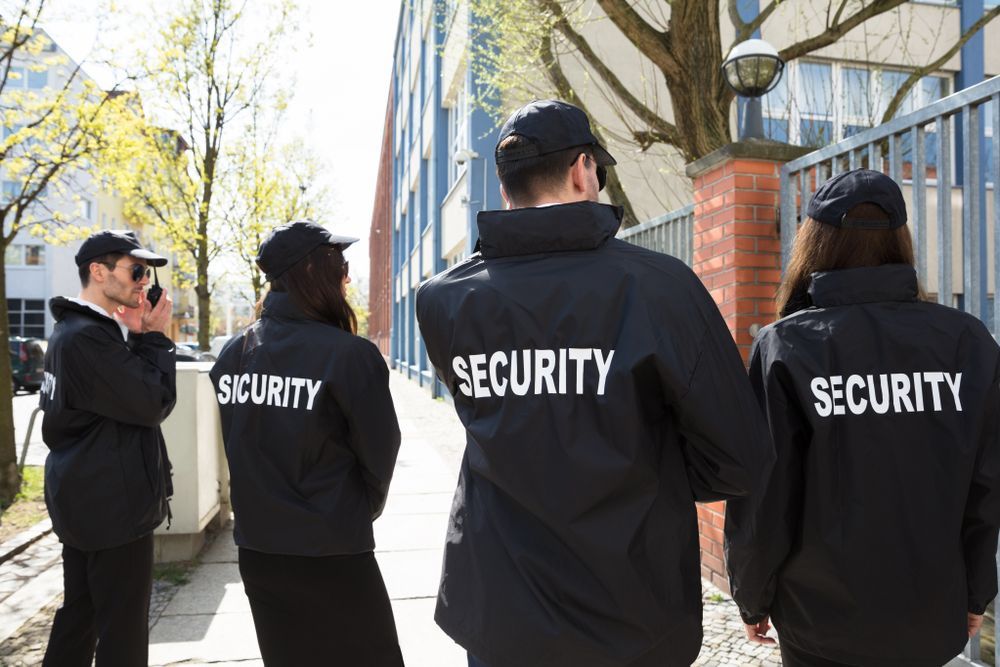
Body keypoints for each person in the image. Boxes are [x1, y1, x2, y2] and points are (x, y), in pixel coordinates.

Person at [415, 99, 773, 667]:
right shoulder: (661, 288)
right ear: (584, 170)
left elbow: (493, 416)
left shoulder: (443, 300)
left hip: (501, 612)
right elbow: (741, 457)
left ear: (506, 190)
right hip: (633, 613)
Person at [725, 169, 1000, 666]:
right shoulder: (966, 341)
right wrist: (975, 593)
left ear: (814, 242)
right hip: (927, 611)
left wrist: (752, 594)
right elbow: (986, 487)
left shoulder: (788, 345)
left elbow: (764, 495)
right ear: (901, 240)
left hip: (818, 619)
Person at [209, 221, 404, 666]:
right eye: (341, 265)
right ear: (313, 270)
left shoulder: (233, 355)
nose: (348, 278)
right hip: (332, 551)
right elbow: (380, 454)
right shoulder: (348, 355)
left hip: (260, 552)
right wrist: (353, 509)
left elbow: (239, 448)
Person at [40, 229, 175, 666]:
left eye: (146, 274)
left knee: (81, 614)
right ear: (98, 272)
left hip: (88, 497)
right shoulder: (87, 338)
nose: (143, 283)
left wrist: (136, 338)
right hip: (110, 507)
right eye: (135, 270)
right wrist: (155, 338)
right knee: (122, 630)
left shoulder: (77, 332)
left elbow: (115, 400)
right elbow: (152, 401)